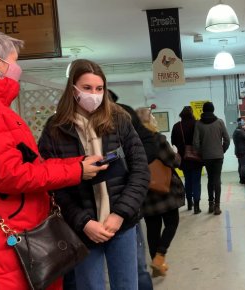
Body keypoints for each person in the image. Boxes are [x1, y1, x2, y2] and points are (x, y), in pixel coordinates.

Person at [0, 28, 107, 290]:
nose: (16, 69)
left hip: (24, 230)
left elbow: (31, 165)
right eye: (15, 61)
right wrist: (76, 170)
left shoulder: (0, 110)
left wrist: (75, 165)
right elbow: (11, 174)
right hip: (10, 237)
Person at [38, 59, 150, 290]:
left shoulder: (119, 120)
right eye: (87, 88)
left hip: (121, 223)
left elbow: (140, 171)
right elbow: (52, 183)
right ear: (73, 89)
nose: (94, 94)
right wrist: (84, 222)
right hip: (82, 228)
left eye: (99, 89)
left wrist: (119, 214)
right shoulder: (55, 129)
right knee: (89, 285)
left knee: (128, 284)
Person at [109, 90, 154, 290]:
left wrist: (127, 166)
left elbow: (147, 149)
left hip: (125, 206)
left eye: (98, 89)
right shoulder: (71, 123)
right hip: (88, 216)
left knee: (135, 268)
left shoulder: (123, 115)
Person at [135, 107, 185, 277]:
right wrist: (177, 155)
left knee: (152, 228)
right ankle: (159, 256)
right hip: (164, 190)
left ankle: (157, 265)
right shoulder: (158, 139)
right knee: (172, 222)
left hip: (145, 192)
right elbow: (173, 162)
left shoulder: (132, 142)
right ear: (150, 120)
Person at [193, 102, 230, 215]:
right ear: (213, 110)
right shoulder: (219, 122)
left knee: (210, 179)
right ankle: (217, 207)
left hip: (207, 157)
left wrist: (201, 153)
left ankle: (210, 204)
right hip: (218, 156)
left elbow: (195, 143)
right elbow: (227, 139)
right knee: (217, 179)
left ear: (203, 110)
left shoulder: (199, 124)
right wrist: (222, 150)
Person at [171, 106, 203, 214]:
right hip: (196, 157)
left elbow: (173, 142)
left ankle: (189, 203)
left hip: (183, 159)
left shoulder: (177, 126)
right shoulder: (197, 124)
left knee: (188, 180)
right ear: (191, 113)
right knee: (196, 182)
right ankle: (197, 207)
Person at [232, 117, 245, 184]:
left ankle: (241, 178)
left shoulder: (236, 131)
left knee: (241, 165)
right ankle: (243, 179)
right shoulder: (241, 132)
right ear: (242, 125)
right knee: (243, 165)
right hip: (243, 151)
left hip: (239, 151)